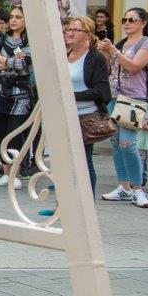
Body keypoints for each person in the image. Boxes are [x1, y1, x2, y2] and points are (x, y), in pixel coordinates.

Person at [98, 8, 148, 208]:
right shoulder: (122, 44)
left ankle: (137, 189)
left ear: (143, 22)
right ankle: (123, 187)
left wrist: (113, 51)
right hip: (115, 97)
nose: (126, 23)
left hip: (133, 99)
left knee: (127, 143)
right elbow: (110, 68)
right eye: (124, 19)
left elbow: (134, 66)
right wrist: (105, 53)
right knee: (116, 142)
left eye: (132, 19)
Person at [0, 6, 33, 188]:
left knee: (16, 132)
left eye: (18, 17)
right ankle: (5, 171)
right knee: (0, 132)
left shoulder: (30, 41)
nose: (14, 20)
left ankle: (16, 173)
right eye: (12, 17)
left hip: (21, 92)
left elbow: (25, 64)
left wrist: (1, 59)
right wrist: (7, 65)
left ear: (26, 20)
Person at [63, 15, 110, 196]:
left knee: (83, 161)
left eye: (76, 30)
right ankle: (63, 204)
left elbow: (102, 92)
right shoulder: (65, 55)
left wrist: (72, 96)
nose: (70, 33)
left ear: (88, 35)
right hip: (65, 115)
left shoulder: (95, 58)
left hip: (85, 117)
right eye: (69, 29)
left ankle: (87, 205)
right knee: (65, 162)